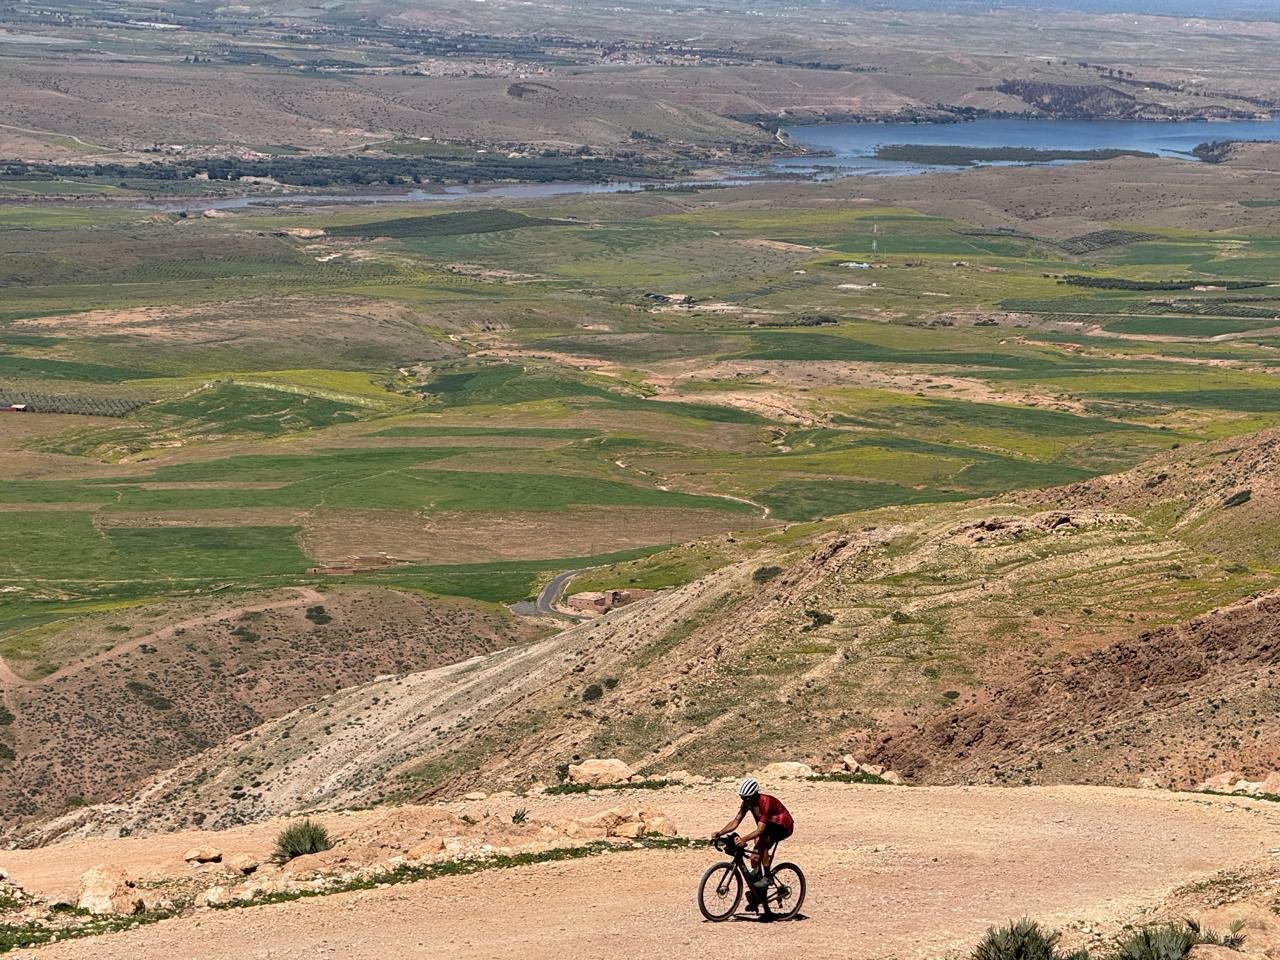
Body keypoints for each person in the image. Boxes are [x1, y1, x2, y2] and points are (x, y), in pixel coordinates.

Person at [711, 777, 794, 908]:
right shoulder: (747, 803)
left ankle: (768, 876)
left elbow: (761, 829)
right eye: (742, 798)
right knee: (755, 858)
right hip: (768, 827)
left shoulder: (765, 802)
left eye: (747, 798)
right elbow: (735, 822)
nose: (745, 801)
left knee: (761, 841)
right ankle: (759, 894)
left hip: (782, 826)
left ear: (755, 795)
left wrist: (743, 839)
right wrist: (720, 833)